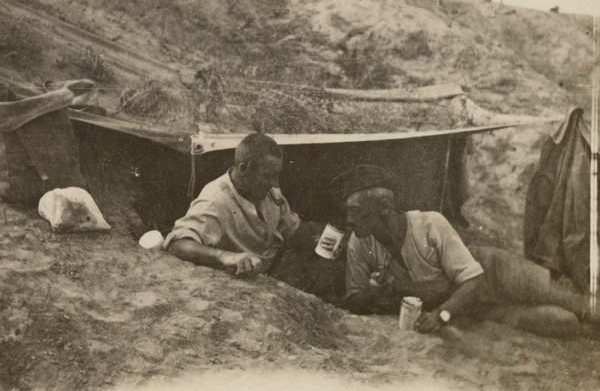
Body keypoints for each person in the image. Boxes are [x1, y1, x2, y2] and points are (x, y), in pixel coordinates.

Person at [332, 165, 596, 338]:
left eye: (355, 211)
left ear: (384, 208)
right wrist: (381, 293)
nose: (349, 220)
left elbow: (474, 280)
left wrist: (440, 315)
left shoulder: (429, 223)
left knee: (581, 306)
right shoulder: (360, 242)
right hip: (468, 304)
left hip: (492, 271)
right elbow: (355, 298)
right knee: (565, 323)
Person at [164, 133, 335, 276]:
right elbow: (176, 245)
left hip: (276, 267)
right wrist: (225, 257)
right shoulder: (214, 201)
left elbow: (290, 228)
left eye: (277, 175)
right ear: (245, 169)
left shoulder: (269, 190)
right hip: (250, 282)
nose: (275, 183)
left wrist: (318, 237)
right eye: (268, 176)